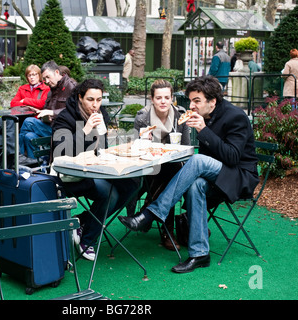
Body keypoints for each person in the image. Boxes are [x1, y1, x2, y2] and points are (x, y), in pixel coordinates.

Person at [119, 75, 260, 274]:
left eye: (197, 101)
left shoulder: (235, 116)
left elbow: (233, 157)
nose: (191, 106)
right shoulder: (205, 116)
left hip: (239, 176)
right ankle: (200, 253)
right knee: (195, 185)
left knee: (197, 159)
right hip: (216, 175)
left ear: (212, 102)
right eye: (191, 100)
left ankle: (151, 213)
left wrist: (203, 130)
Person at [52, 78, 137, 261]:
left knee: (133, 184)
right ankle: (87, 241)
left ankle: (83, 221)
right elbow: (61, 151)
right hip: (71, 175)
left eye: (99, 100)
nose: (95, 105)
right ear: (80, 97)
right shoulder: (66, 117)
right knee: (111, 194)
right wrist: (85, 129)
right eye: (90, 100)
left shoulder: (101, 114)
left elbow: (103, 148)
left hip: (98, 170)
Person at [133, 79, 191, 251]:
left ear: (172, 98)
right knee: (169, 174)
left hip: (174, 167)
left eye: (167, 97)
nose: (163, 101)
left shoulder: (180, 115)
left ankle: (148, 211)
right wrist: (143, 141)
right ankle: (166, 231)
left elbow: (187, 149)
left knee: (172, 170)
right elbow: (136, 151)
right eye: (159, 98)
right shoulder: (143, 117)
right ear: (152, 99)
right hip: (149, 168)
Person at [18, 60, 76, 161]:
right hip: (50, 126)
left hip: (64, 130)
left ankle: (18, 155)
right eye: (44, 79)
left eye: (48, 77)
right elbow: (46, 108)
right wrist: (42, 113)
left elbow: (75, 111)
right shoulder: (52, 89)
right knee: (29, 136)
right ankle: (36, 165)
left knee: (28, 121)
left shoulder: (71, 86)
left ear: (57, 72)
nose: (47, 81)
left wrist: (52, 113)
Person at [10, 64, 50, 164]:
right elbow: (13, 103)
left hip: (38, 122)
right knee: (28, 136)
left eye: (34, 74)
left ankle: (20, 156)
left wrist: (25, 100)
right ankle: (32, 163)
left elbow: (42, 104)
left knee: (28, 124)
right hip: (23, 122)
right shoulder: (22, 88)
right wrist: (30, 104)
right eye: (29, 75)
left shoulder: (46, 89)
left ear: (39, 76)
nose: (31, 77)